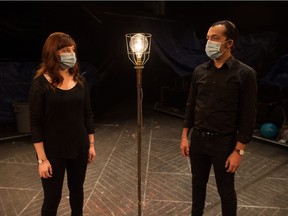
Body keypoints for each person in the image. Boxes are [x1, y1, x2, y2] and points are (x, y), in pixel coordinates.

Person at [180, 20, 257, 216]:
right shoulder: (200, 71)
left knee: (226, 192)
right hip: (198, 140)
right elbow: (190, 105)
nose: (209, 43)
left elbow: (248, 115)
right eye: (208, 38)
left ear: (229, 43)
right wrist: (184, 136)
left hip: (224, 143)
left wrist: (238, 152)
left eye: (215, 38)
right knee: (197, 187)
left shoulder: (245, 74)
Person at [29, 32, 96, 216]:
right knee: (52, 198)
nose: (71, 54)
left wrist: (91, 144)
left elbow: (87, 114)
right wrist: (42, 160)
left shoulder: (80, 81)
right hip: (53, 151)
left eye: (72, 50)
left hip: (79, 147)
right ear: (53, 53)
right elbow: (35, 124)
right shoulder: (40, 84)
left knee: (77, 193)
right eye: (66, 50)